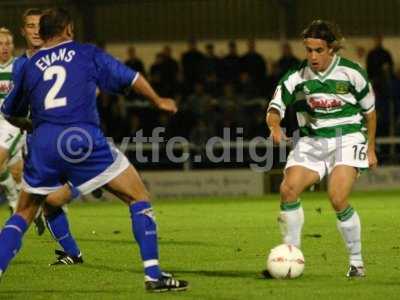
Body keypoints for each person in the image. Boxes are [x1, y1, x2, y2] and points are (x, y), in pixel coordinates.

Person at [0, 8, 188, 292]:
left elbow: (9, 111)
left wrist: (33, 127)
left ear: (44, 32)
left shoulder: (28, 66)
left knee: (24, 212)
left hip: (44, 142)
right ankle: (153, 275)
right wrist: (158, 100)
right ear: (67, 29)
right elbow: (131, 77)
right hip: (81, 136)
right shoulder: (86, 53)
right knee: (138, 196)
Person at [265, 20, 377, 277]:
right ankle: (292, 254)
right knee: (288, 189)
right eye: (308, 50)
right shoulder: (297, 75)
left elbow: (370, 113)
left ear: (331, 50)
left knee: (337, 197)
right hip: (313, 140)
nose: (312, 56)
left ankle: (357, 262)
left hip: (348, 138)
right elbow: (275, 106)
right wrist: (274, 126)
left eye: (318, 50)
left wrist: (370, 149)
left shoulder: (353, 73)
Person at [14, 7, 84, 265]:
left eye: (38, 26)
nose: (34, 31)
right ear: (23, 31)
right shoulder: (20, 65)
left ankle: (90, 179)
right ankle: (73, 253)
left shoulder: (62, 57)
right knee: (46, 202)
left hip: (69, 135)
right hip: (35, 142)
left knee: (50, 198)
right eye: (29, 26)